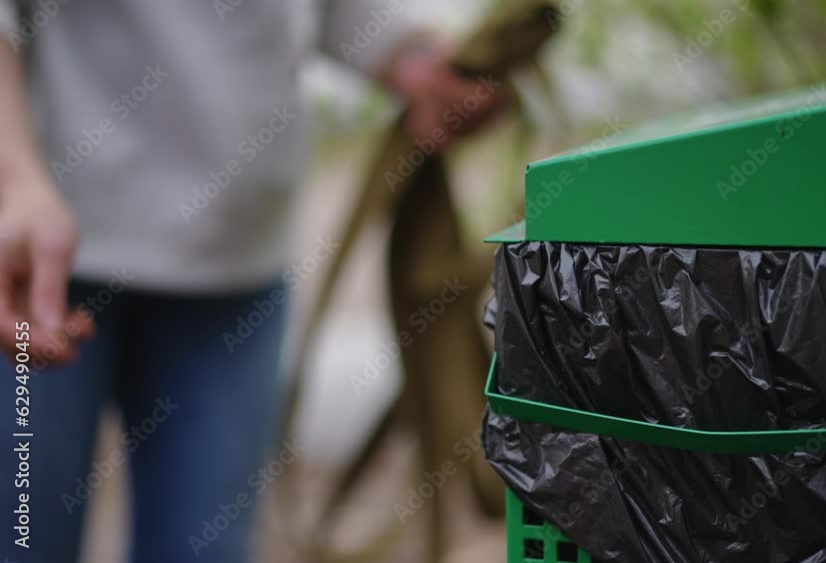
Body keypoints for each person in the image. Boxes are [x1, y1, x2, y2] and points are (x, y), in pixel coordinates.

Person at [0, 2, 500, 562]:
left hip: (237, 273)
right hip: (42, 263)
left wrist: (415, 59)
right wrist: (12, 178)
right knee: (21, 541)